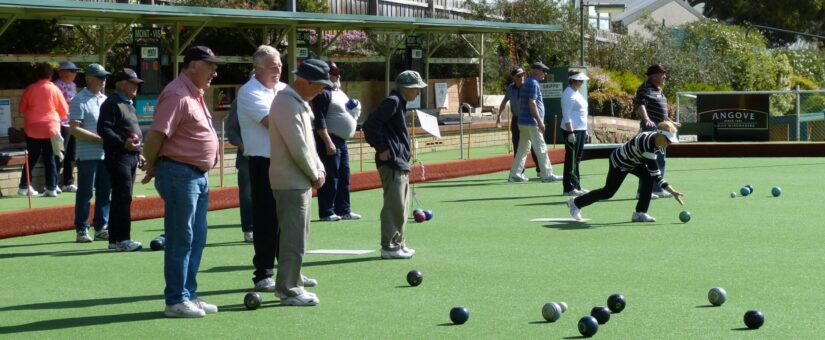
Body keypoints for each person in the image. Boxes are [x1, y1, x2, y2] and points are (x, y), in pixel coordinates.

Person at [141, 46, 222, 318]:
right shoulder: (177, 93)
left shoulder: (194, 93)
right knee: (181, 238)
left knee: (196, 238)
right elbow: (155, 136)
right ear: (192, 65)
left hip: (196, 176)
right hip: (179, 174)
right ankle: (176, 300)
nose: (214, 71)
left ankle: (189, 295)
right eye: (209, 65)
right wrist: (152, 165)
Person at [238, 45, 317, 293]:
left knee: (291, 221)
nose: (279, 70)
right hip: (262, 161)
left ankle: (291, 271)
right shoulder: (250, 92)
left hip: (285, 161)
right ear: (258, 68)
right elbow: (273, 123)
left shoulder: (283, 90)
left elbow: (308, 118)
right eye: (273, 67)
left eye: (280, 65)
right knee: (266, 219)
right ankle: (263, 274)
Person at [268, 58, 329, 305]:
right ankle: (289, 289)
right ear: (304, 81)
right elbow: (297, 145)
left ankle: (292, 280)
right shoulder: (285, 102)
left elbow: (308, 144)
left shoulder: (297, 102)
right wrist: (315, 173)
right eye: (319, 85)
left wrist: (319, 167)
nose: (322, 90)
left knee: (299, 236)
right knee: (294, 237)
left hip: (298, 179)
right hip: (290, 180)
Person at [362, 70, 426, 260]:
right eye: (416, 89)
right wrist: (381, 147)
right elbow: (370, 125)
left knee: (402, 206)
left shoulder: (400, 103)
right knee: (394, 205)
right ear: (406, 88)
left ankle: (398, 243)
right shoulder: (393, 102)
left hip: (400, 162)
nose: (418, 93)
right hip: (391, 162)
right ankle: (389, 247)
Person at [567, 121, 684, 222]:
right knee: (608, 192)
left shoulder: (658, 142)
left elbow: (653, 173)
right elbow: (657, 176)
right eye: (668, 140)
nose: (670, 143)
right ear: (659, 135)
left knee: (648, 178)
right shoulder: (647, 145)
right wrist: (673, 192)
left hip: (636, 161)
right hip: (620, 162)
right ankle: (575, 203)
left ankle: (640, 213)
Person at [97, 68, 144, 252]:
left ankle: (114, 240)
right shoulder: (112, 103)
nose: (136, 87)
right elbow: (104, 129)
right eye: (132, 83)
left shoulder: (129, 104)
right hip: (118, 156)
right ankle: (123, 239)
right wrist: (123, 144)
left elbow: (131, 130)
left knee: (122, 198)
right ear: (121, 84)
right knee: (122, 198)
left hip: (130, 156)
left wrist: (138, 152)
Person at [311, 61, 362, 222]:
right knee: (331, 176)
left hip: (342, 141)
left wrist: (356, 109)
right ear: (326, 75)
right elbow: (319, 120)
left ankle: (344, 209)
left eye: (338, 73)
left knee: (344, 175)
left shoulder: (339, 91)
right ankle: (327, 211)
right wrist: (327, 142)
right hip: (330, 139)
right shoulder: (323, 93)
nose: (337, 75)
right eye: (333, 73)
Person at [69, 63, 111, 243]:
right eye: (100, 77)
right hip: (88, 155)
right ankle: (82, 229)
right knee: (86, 192)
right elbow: (74, 129)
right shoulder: (79, 99)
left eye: (105, 77)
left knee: (104, 192)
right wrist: (98, 139)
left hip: (106, 154)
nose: (104, 81)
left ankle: (101, 227)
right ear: (89, 79)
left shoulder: (105, 99)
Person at [18, 63, 68, 197]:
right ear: (51, 75)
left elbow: (21, 109)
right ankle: (51, 187)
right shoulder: (55, 89)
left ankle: (23, 186)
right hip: (50, 127)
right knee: (50, 157)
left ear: (36, 75)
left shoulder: (30, 88)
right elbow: (64, 111)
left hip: (32, 126)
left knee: (32, 157)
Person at [507, 62, 562, 183]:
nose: (545, 74)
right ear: (536, 71)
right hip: (532, 123)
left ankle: (514, 174)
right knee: (541, 147)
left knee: (522, 149)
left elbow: (521, 101)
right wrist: (540, 122)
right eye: (544, 71)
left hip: (523, 122)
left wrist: (521, 116)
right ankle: (547, 174)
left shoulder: (526, 83)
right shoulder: (533, 83)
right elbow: (532, 103)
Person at [635, 64, 680, 199]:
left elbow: (661, 112)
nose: (665, 76)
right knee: (649, 161)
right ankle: (642, 192)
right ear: (654, 75)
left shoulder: (658, 90)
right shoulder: (645, 88)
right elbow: (641, 104)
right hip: (650, 129)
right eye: (662, 73)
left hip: (661, 130)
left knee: (660, 160)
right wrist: (646, 118)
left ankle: (657, 189)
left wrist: (671, 122)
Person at [497, 66, 539, 177]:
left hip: (528, 119)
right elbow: (504, 101)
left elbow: (535, 102)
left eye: (523, 75)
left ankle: (540, 169)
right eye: (519, 76)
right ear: (513, 78)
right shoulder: (510, 88)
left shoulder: (528, 86)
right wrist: (498, 116)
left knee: (535, 144)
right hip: (516, 119)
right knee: (517, 145)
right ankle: (519, 172)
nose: (522, 77)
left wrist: (539, 119)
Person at [224, 98, 254, 243]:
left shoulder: (277, 95)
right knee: (248, 194)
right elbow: (231, 129)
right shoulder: (242, 100)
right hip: (247, 157)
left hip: (272, 155)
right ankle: (249, 230)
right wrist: (244, 148)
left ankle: (268, 227)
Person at [560, 70, 590, 196]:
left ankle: (576, 185)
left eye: (582, 81)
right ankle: (569, 188)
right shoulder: (568, 93)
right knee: (571, 160)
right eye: (579, 81)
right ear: (572, 81)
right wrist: (571, 131)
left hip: (580, 129)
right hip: (572, 130)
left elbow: (581, 112)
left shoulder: (576, 92)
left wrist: (585, 129)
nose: (581, 83)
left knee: (576, 160)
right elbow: (566, 114)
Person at [54, 60, 81, 193]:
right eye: (72, 71)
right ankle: (54, 183)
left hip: (72, 123)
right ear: (62, 72)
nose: (74, 73)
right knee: (61, 153)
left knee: (72, 153)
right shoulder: (56, 86)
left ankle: (68, 182)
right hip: (60, 124)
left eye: (75, 71)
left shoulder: (74, 85)